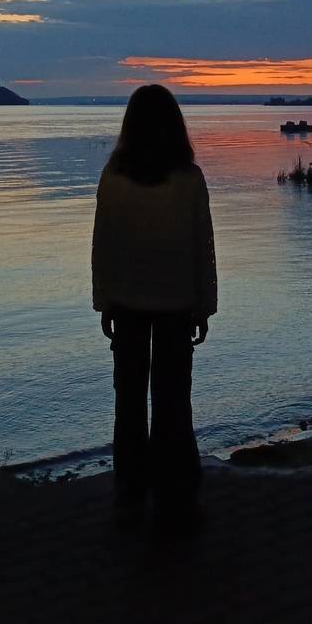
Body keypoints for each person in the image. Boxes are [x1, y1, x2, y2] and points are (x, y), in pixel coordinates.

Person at [91, 84, 217, 526]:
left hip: (128, 303)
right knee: (173, 401)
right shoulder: (189, 179)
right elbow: (203, 246)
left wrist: (104, 299)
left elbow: (103, 245)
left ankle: (130, 490)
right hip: (176, 304)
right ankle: (176, 492)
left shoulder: (114, 177)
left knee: (129, 400)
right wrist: (204, 304)